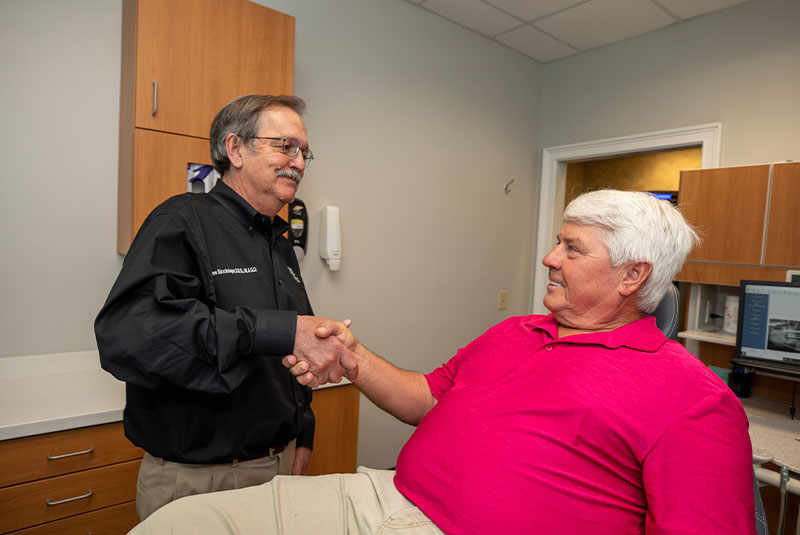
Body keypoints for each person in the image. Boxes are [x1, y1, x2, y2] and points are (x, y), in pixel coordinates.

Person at [129, 190, 754, 534]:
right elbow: (426, 398)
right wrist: (350, 356)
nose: (548, 258)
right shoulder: (517, 331)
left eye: (571, 247)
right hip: (380, 495)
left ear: (633, 276)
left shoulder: (693, 399)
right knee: (179, 524)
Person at [94, 94, 354, 520]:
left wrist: (302, 434)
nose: (300, 162)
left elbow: (285, 359)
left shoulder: (279, 243)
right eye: (284, 146)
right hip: (200, 480)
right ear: (235, 149)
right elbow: (132, 333)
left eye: (304, 152)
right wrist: (277, 330)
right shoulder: (180, 221)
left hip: (281, 464)